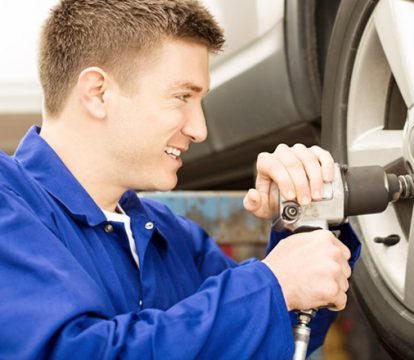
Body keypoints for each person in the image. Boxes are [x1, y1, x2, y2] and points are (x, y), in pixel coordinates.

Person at [0, 0, 360, 358]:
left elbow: (273, 337)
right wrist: (273, 284)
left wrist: (304, 220)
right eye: (182, 97)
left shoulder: (174, 236)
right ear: (98, 93)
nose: (199, 129)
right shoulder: (8, 204)